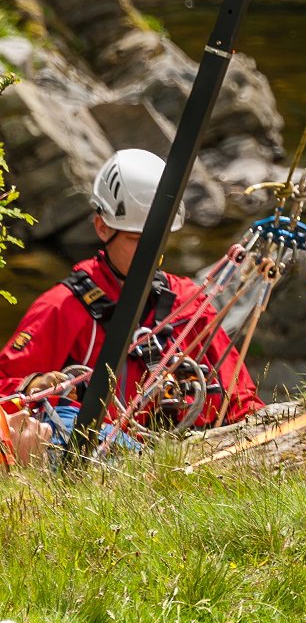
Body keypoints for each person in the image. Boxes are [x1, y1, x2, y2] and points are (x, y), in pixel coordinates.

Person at [0, 148, 262, 462]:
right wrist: (33, 385)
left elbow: (241, 397)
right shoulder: (63, 307)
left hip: (178, 456)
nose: (149, 253)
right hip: (93, 457)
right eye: (137, 240)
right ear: (102, 227)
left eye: (158, 238)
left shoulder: (187, 304)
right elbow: (5, 389)